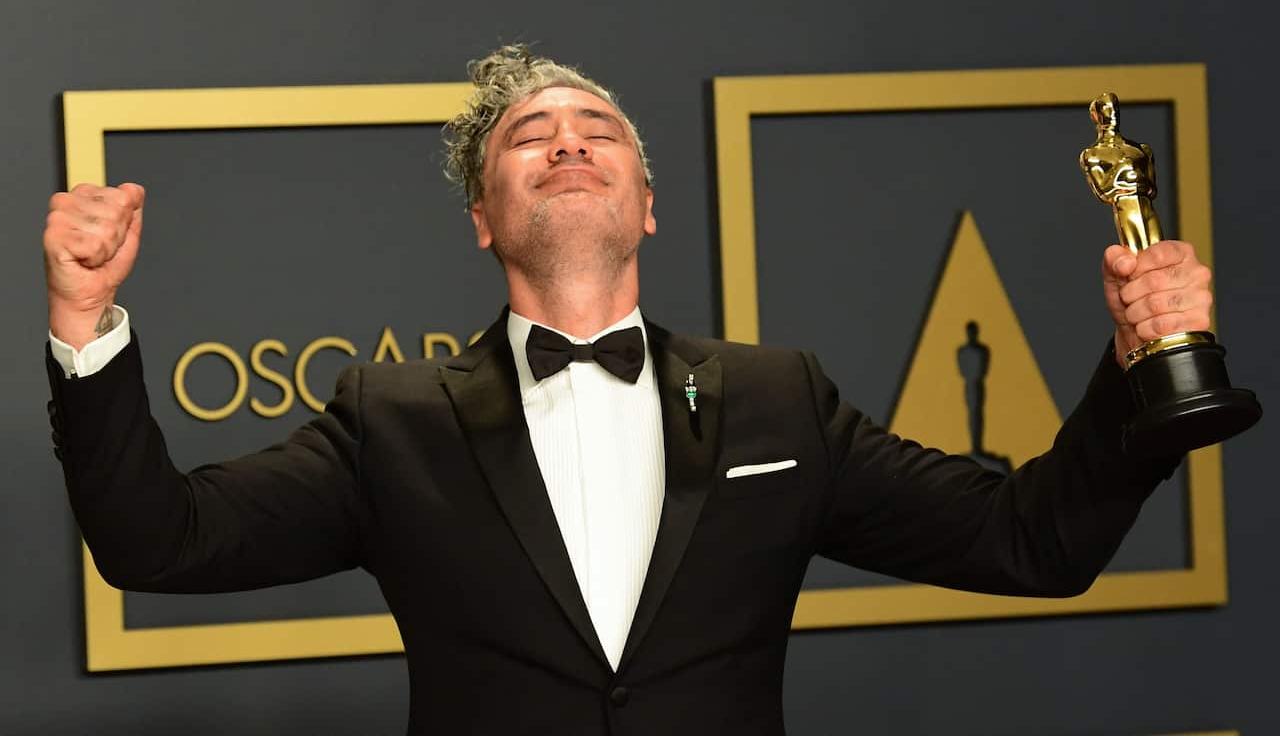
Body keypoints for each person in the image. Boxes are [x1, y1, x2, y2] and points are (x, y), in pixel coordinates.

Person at [42, 46, 1215, 735]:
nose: (564, 143)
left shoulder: (778, 399)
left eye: (595, 129)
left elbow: (1029, 542)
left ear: (646, 203)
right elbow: (160, 541)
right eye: (526, 137)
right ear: (484, 218)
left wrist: (1136, 374)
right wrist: (85, 327)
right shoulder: (388, 421)